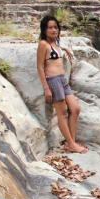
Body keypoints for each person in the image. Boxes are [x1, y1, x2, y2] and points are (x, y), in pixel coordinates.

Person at [37, 15, 86, 153]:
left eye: (55, 27)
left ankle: (71, 141)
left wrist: (64, 49)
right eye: (50, 27)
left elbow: (55, 50)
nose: (53, 30)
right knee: (62, 113)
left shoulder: (55, 44)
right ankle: (71, 144)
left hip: (62, 80)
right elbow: (39, 66)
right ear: (44, 29)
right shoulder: (43, 44)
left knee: (75, 109)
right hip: (53, 81)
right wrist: (46, 88)